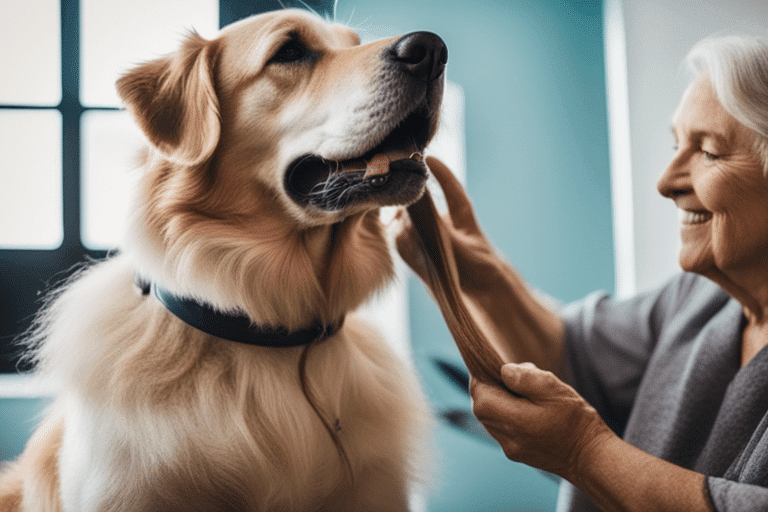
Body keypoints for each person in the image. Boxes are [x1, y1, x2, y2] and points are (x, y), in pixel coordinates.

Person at [395, 34, 768, 511]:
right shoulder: (697, 299)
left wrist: (583, 452)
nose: (667, 182)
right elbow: (572, 356)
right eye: (676, 145)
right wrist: (479, 276)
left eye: (710, 152)